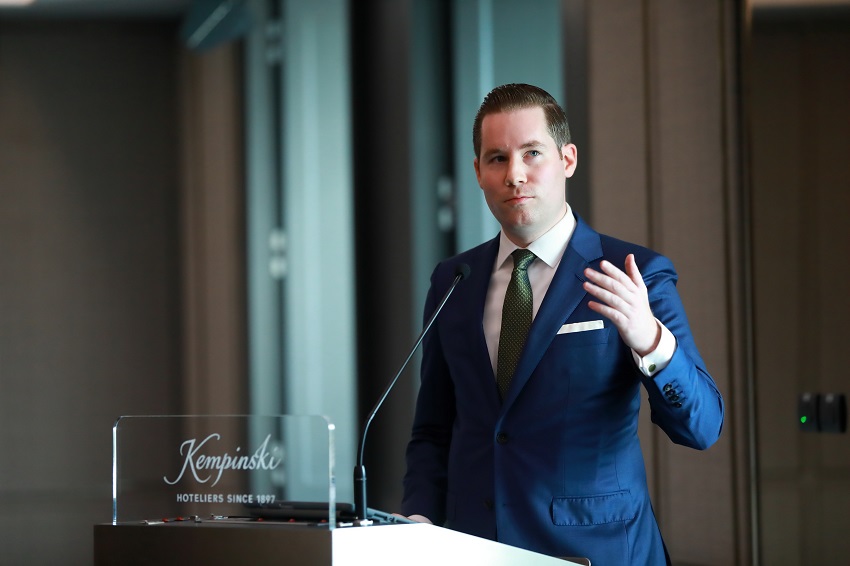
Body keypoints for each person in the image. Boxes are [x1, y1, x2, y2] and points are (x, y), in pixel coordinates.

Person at [400, 83, 724, 565]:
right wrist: (419, 517)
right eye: (497, 158)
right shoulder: (454, 280)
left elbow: (702, 427)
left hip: (595, 550)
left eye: (532, 153)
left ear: (567, 159)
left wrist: (651, 341)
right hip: (476, 548)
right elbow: (434, 429)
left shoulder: (634, 272)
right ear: (478, 172)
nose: (514, 175)